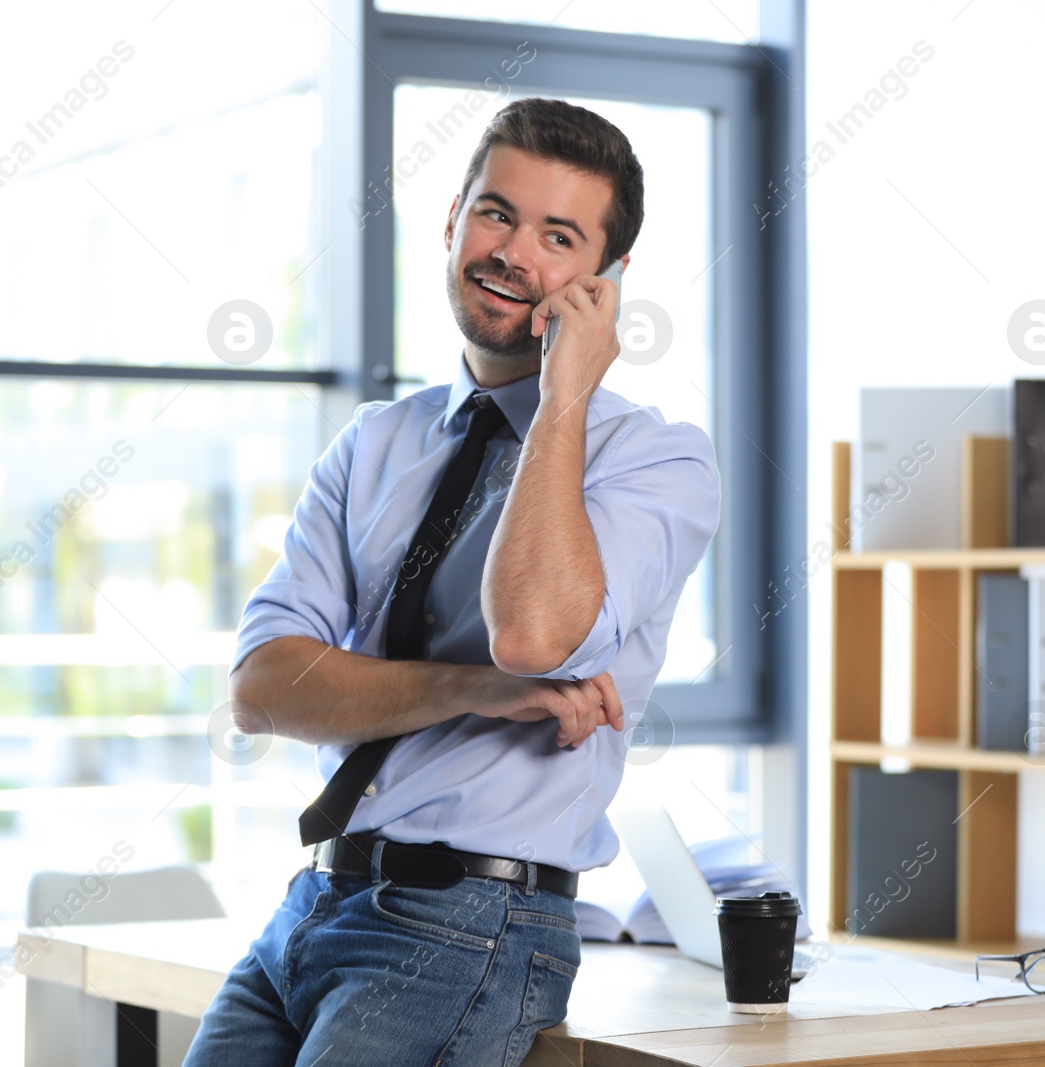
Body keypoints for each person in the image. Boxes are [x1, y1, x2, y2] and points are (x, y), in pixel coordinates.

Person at [184, 96, 720, 1066]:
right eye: (495, 212)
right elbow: (263, 690)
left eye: (558, 235)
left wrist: (564, 395)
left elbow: (532, 633)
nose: (513, 251)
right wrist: (474, 690)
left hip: (472, 919)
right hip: (311, 900)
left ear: (605, 280)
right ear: (451, 219)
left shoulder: (656, 459)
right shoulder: (376, 443)